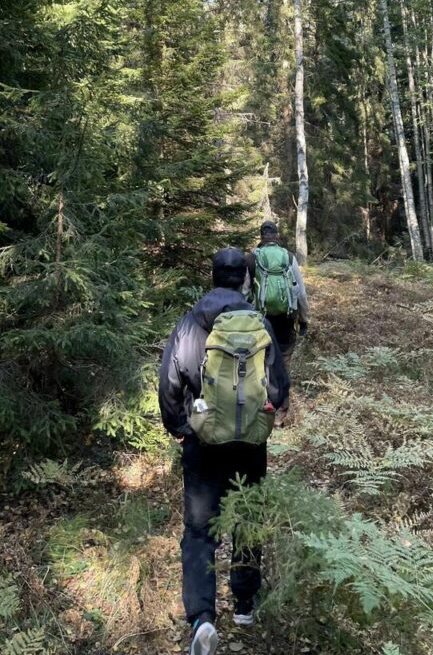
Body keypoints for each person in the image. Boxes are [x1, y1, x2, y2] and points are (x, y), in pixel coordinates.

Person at [159, 247, 290, 655]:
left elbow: (169, 383)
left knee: (199, 530)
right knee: (247, 519)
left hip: (202, 443)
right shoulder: (259, 324)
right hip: (250, 443)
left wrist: (180, 428)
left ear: (213, 276)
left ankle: (201, 618)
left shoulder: (190, 321)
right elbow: (279, 388)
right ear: (245, 279)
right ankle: (245, 605)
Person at [244, 220, 310, 361]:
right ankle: (282, 381)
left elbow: (243, 293)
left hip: (260, 320)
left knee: (262, 358)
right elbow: (301, 293)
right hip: (285, 320)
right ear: (277, 236)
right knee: (284, 358)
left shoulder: (251, 259)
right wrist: (303, 320)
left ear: (262, 237)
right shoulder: (289, 257)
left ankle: (266, 381)